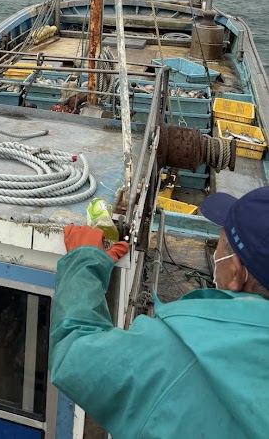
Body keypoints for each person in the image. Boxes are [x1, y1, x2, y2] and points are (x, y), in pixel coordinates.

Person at [49, 188, 269, 438]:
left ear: (238, 274)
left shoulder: (180, 354)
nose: (216, 253)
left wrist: (84, 260)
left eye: (219, 244)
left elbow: (75, 354)